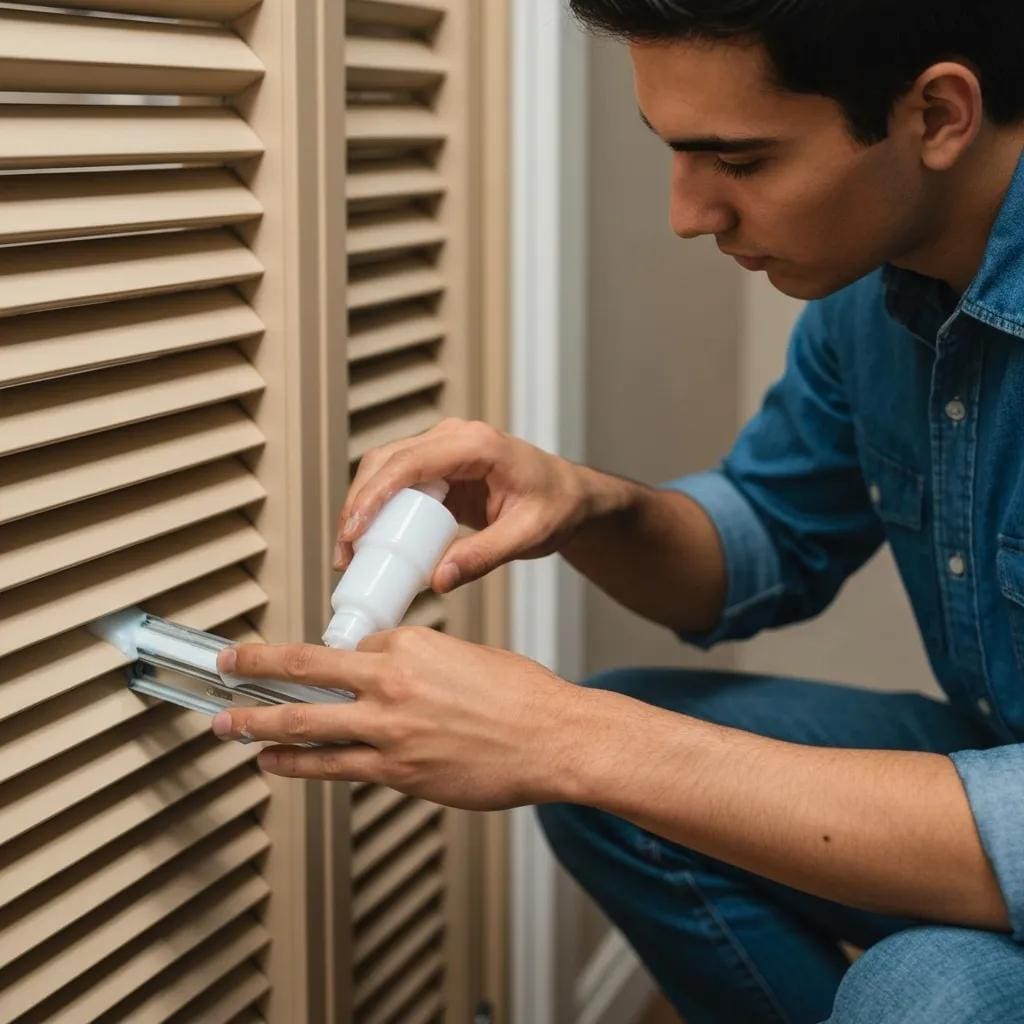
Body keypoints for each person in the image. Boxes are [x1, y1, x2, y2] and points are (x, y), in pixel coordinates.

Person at [210, 1, 1024, 1020]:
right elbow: (758, 546)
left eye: (740, 159)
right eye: (674, 151)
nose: (687, 213)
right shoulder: (872, 296)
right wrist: (586, 505)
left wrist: (569, 736)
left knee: (922, 993)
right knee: (626, 782)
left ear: (938, 115)